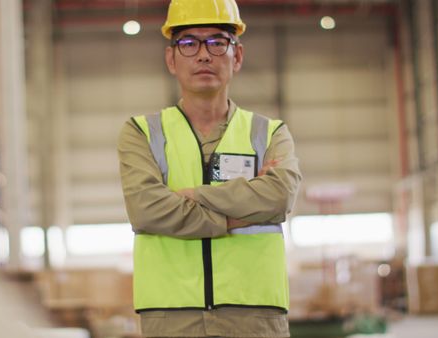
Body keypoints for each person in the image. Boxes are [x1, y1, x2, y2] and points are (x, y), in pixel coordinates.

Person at [117, 0, 302, 336]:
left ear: (238, 56)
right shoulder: (142, 132)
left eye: (218, 42)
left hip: (256, 314)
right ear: (171, 59)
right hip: (169, 315)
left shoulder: (269, 132)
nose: (203, 55)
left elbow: (279, 198)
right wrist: (235, 216)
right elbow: (146, 210)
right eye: (188, 43)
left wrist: (189, 195)